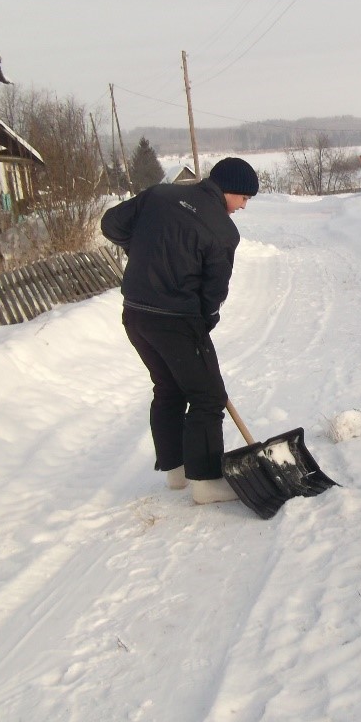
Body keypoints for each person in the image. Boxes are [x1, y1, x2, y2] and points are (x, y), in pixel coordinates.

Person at [101, 157, 259, 506]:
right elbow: (213, 291)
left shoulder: (158, 195)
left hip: (136, 315)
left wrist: (141, 247)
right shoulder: (222, 230)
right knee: (207, 396)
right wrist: (204, 323)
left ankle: (176, 473)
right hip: (177, 321)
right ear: (228, 189)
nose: (244, 206)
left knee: (169, 388)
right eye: (244, 197)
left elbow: (110, 224)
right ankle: (205, 483)